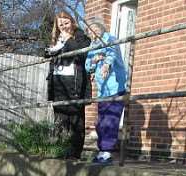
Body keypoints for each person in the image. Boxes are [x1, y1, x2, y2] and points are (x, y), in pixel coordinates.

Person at [46, 11, 91, 160]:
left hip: (74, 84)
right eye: (60, 25)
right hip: (58, 83)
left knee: (76, 120)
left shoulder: (82, 39)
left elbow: (83, 55)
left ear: (72, 22)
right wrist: (52, 49)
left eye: (66, 23)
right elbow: (47, 54)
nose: (64, 27)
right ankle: (59, 151)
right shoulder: (57, 40)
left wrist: (69, 40)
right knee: (60, 119)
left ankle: (74, 154)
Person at [85, 17, 126, 165]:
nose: (93, 32)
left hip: (116, 87)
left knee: (110, 120)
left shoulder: (110, 39)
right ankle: (102, 152)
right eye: (90, 30)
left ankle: (107, 153)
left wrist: (106, 65)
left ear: (101, 28)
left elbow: (111, 53)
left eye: (95, 28)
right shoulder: (92, 45)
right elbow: (87, 67)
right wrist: (94, 61)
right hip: (102, 91)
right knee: (100, 122)